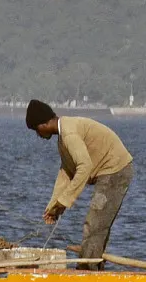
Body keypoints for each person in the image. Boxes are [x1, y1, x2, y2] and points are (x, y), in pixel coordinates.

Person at [26, 99, 133, 266]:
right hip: (107, 172)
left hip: (115, 171)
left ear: (45, 123)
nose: (38, 135)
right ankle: (94, 268)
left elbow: (84, 167)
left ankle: (88, 271)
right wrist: (53, 206)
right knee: (98, 227)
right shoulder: (63, 136)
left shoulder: (69, 135)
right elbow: (66, 172)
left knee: (95, 223)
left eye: (36, 130)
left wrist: (64, 202)